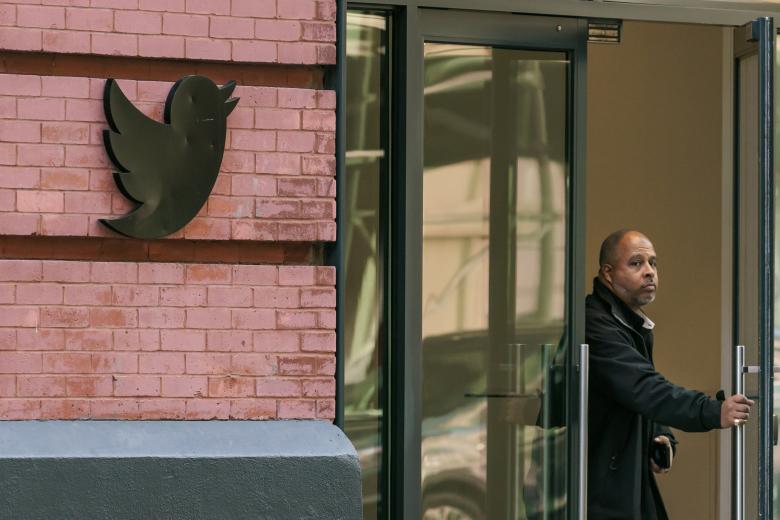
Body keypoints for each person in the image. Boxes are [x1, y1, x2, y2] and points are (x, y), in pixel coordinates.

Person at [587, 229, 752, 519]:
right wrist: (713, 411)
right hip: (596, 489)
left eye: (653, 263)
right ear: (608, 273)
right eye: (636, 263)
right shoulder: (595, 323)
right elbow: (643, 388)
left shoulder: (626, 323)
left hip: (617, 479)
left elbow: (632, 396)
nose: (649, 272)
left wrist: (659, 434)